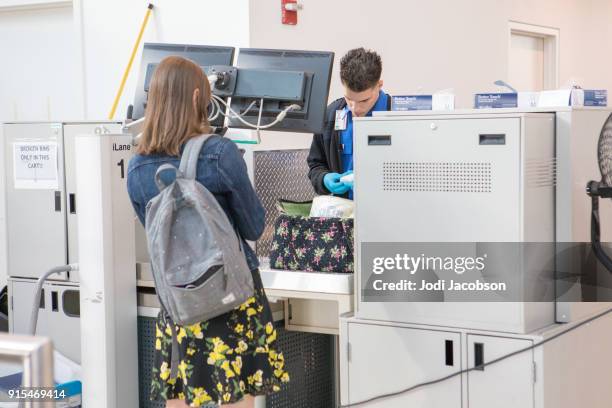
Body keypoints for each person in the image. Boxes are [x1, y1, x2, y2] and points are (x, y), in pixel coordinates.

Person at [127, 56, 289, 408]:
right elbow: (254, 225)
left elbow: (155, 234)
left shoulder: (137, 168)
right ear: (199, 96)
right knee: (237, 395)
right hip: (230, 297)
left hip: (180, 301)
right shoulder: (218, 153)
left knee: (180, 393)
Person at [307, 47, 391, 199]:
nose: (356, 109)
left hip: (388, 211)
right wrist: (324, 179)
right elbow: (315, 165)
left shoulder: (399, 116)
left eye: (364, 100)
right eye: (349, 99)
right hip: (344, 213)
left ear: (379, 85)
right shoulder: (330, 116)